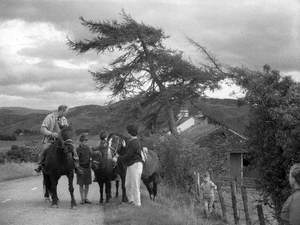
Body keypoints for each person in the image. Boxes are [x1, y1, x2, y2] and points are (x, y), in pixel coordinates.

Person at [34, 105, 79, 173]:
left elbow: (66, 131)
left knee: (72, 148)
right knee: (45, 149)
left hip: (62, 140)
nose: (66, 114)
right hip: (50, 140)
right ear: (61, 111)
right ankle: (40, 166)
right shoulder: (49, 117)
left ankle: (76, 166)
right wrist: (51, 134)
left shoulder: (64, 119)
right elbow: (42, 129)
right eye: (65, 112)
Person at [114, 124, 143, 206]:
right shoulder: (132, 141)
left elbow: (128, 155)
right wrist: (124, 146)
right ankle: (131, 200)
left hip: (135, 165)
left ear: (130, 133)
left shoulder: (134, 142)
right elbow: (128, 151)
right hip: (131, 165)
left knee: (135, 184)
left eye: (128, 132)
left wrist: (117, 158)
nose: (127, 134)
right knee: (127, 184)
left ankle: (138, 203)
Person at [76, 133, 92, 204]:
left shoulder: (88, 148)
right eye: (84, 141)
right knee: (81, 184)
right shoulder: (78, 149)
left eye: (86, 141)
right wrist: (78, 169)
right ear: (81, 141)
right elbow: (76, 160)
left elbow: (91, 156)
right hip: (81, 168)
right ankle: (82, 199)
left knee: (87, 184)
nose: (85, 142)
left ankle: (86, 198)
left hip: (88, 168)